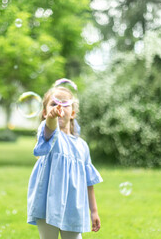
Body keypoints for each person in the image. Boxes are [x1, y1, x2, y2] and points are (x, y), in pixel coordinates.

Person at [27, 85, 103, 239]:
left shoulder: (82, 146)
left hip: (73, 206)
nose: (59, 107)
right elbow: (50, 128)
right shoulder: (50, 134)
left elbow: (89, 182)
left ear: (73, 113)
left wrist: (93, 211)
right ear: (44, 113)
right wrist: (51, 118)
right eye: (54, 104)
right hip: (47, 204)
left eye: (64, 103)